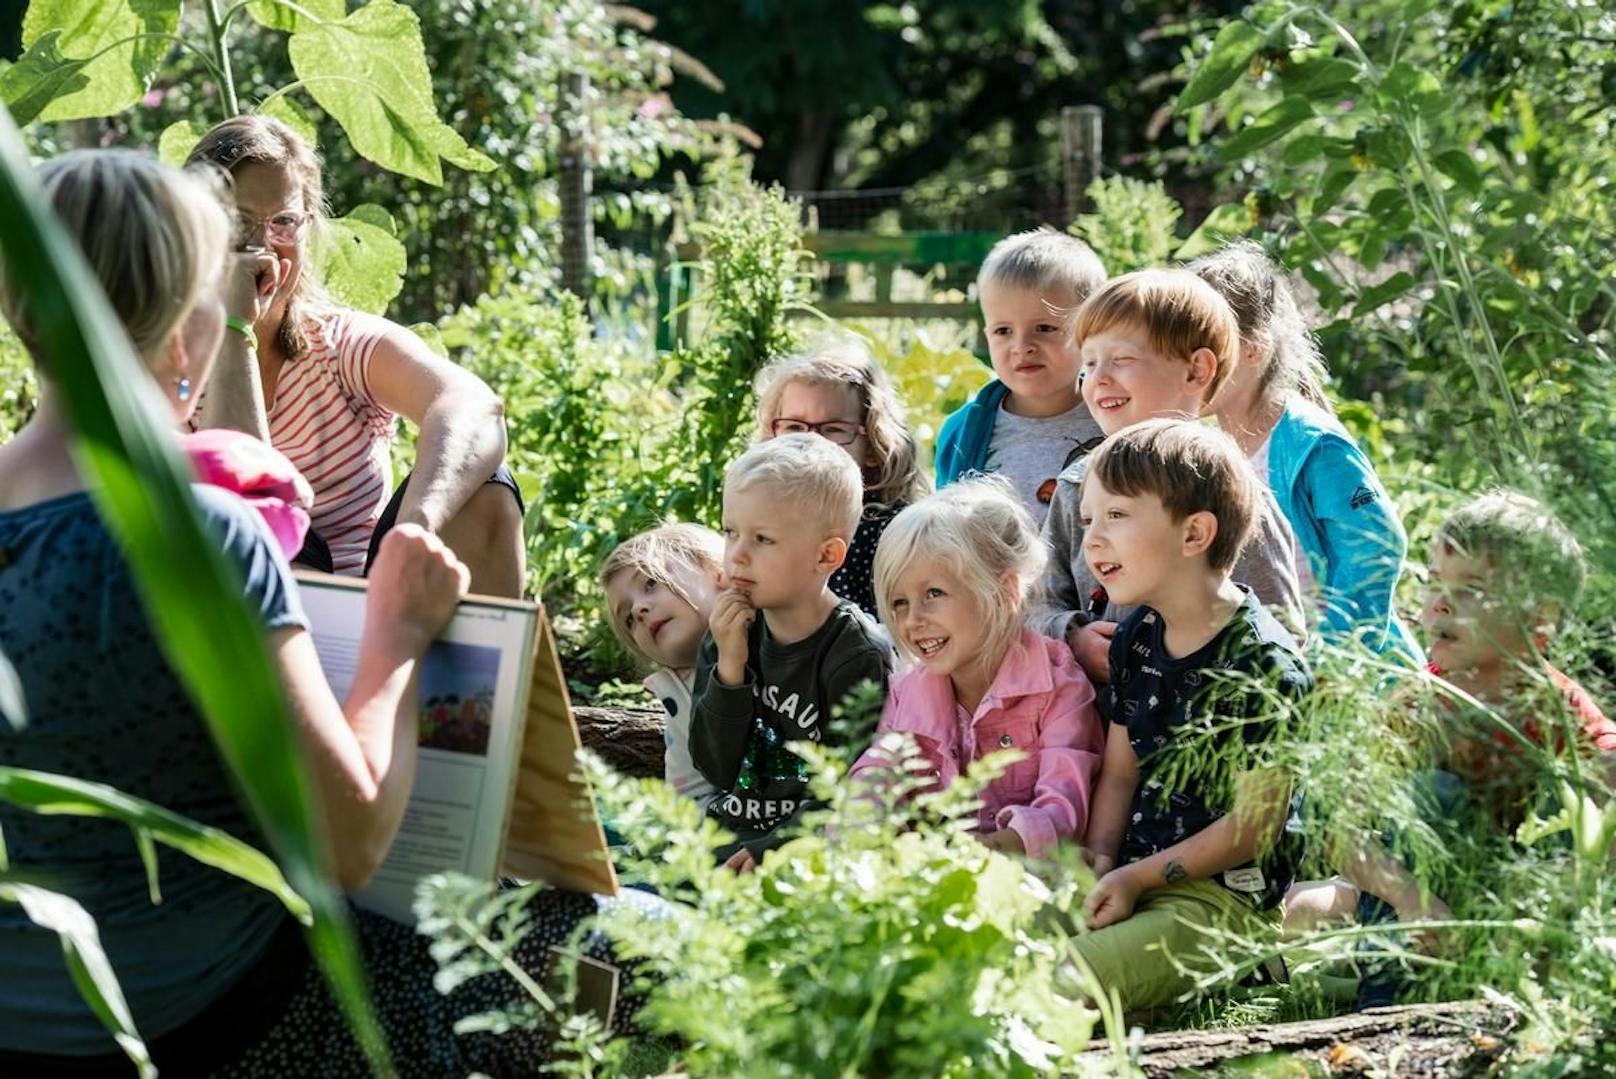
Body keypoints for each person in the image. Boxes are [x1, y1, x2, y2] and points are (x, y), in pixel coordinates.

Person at [0, 149, 640, 1077]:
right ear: (190, 319)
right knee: (589, 947)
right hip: (215, 1025)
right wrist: (397, 637)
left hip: (24, 1029)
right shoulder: (201, 532)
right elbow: (348, 843)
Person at [1285, 490, 1616, 1007]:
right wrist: (1411, 900)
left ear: (1539, 620)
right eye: (1435, 582)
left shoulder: (1553, 705)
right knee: (1429, 794)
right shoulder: (1421, 703)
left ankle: (1548, 982)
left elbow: (1606, 770)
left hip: (1520, 914)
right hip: (1422, 913)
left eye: (1470, 590)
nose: (1438, 603)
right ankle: (1389, 998)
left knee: (1582, 796)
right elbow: (1341, 832)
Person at [185, 116, 525, 597]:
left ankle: (488, 671)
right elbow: (242, 508)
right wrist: (233, 327)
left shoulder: (340, 345)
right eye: (239, 222)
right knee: (272, 537)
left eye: (283, 222)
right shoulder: (167, 369)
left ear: (309, 227)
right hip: (253, 626)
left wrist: (416, 527)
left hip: (384, 603)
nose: (261, 243)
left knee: (487, 484)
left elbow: (474, 406)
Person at [1072, 420, 1312, 1012]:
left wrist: (1136, 879)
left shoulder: (1264, 665)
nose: (1092, 542)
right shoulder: (1139, 637)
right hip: (1133, 878)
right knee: (998, 946)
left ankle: (1275, 949)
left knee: (1061, 983)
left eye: (1117, 517)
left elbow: (1252, 827)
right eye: (1088, 521)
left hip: (1221, 903)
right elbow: (1122, 773)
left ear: (1194, 533)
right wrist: (1101, 861)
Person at [1031, 269, 1306, 684]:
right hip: (1097, 731)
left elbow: (1281, 629)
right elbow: (1039, 602)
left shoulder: (1229, 493)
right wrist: (1073, 636)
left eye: (1121, 359)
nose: (1099, 378)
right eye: (1089, 363)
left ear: (1196, 371)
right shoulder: (1077, 488)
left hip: (1208, 727)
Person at [849, 478, 1104, 859]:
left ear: (1004, 591)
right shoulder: (910, 692)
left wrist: (978, 852)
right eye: (899, 602)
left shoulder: (1058, 685)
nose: (913, 619)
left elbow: (1064, 808)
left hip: (1031, 881)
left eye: (933, 594)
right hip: (936, 878)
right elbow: (875, 779)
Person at [1190, 242, 1420, 658]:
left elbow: (1376, 548)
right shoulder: (1205, 447)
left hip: (1351, 681)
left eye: (1200, 342)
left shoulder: (1310, 443)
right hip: (1270, 675)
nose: (1185, 361)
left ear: (1253, 349)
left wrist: (1331, 660)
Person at [690, 434, 894, 869]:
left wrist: (771, 851)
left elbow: (849, 791)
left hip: (806, 858)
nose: (737, 556)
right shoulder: (729, 630)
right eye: (731, 532)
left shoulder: (856, 654)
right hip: (723, 839)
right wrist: (730, 667)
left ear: (826, 555)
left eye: (763, 539)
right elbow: (715, 769)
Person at [933, 228, 1107, 525]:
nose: (1022, 347)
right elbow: (947, 530)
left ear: (1090, 330)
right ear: (987, 333)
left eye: (1044, 328)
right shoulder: (963, 432)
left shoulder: (1113, 418)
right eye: (1003, 331)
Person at [754, 335, 930, 618]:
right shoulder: (757, 522)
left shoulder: (886, 534)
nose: (810, 443)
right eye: (794, 427)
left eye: (833, 429)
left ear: (873, 445)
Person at [600, 523, 727, 808]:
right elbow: (690, 796)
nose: (638, 609)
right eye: (628, 620)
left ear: (718, 570)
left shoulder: (780, 635)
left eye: (650, 583)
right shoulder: (679, 697)